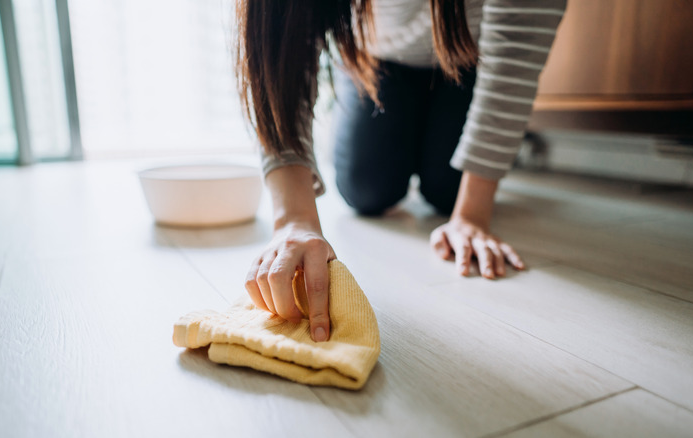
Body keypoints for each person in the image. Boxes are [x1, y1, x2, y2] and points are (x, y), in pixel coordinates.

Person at [235, 0, 567, 342]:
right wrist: (293, 217)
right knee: (365, 190)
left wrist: (472, 216)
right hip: (377, 57)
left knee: (446, 192)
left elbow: (516, 53)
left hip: (469, 58)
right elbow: (280, 49)